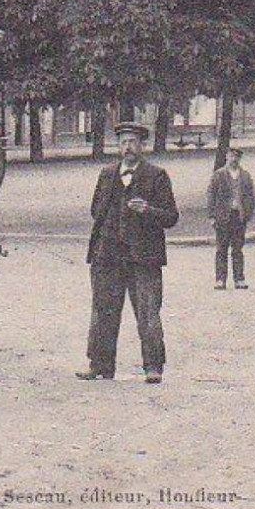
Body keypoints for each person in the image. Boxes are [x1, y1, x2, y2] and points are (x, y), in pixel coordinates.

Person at [78, 122, 179, 386]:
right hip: (108, 256)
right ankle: (100, 365)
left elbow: (171, 217)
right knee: (103, 312)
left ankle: (153, 367)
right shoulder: (107, 174)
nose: (128, 148)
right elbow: (95, 210)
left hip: (143, 259)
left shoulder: (157, 176)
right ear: (118, 146)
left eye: (133, 142)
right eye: (123, 142)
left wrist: (148, 210)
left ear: (142, 146)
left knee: (148, 313)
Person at [206, 147, 255, 290]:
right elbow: (211, 196)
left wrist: (248, 213)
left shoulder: (245, 175)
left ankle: (239, 278)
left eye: (237, 157)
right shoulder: (218, 175)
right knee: (221, 248)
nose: (234, 159)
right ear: (227, 157)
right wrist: (212, 216)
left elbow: (250, 196)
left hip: (239, 216)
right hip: (222, 216)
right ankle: (220, 279)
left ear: (240, 159)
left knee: (238, 249)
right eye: (231, 156)